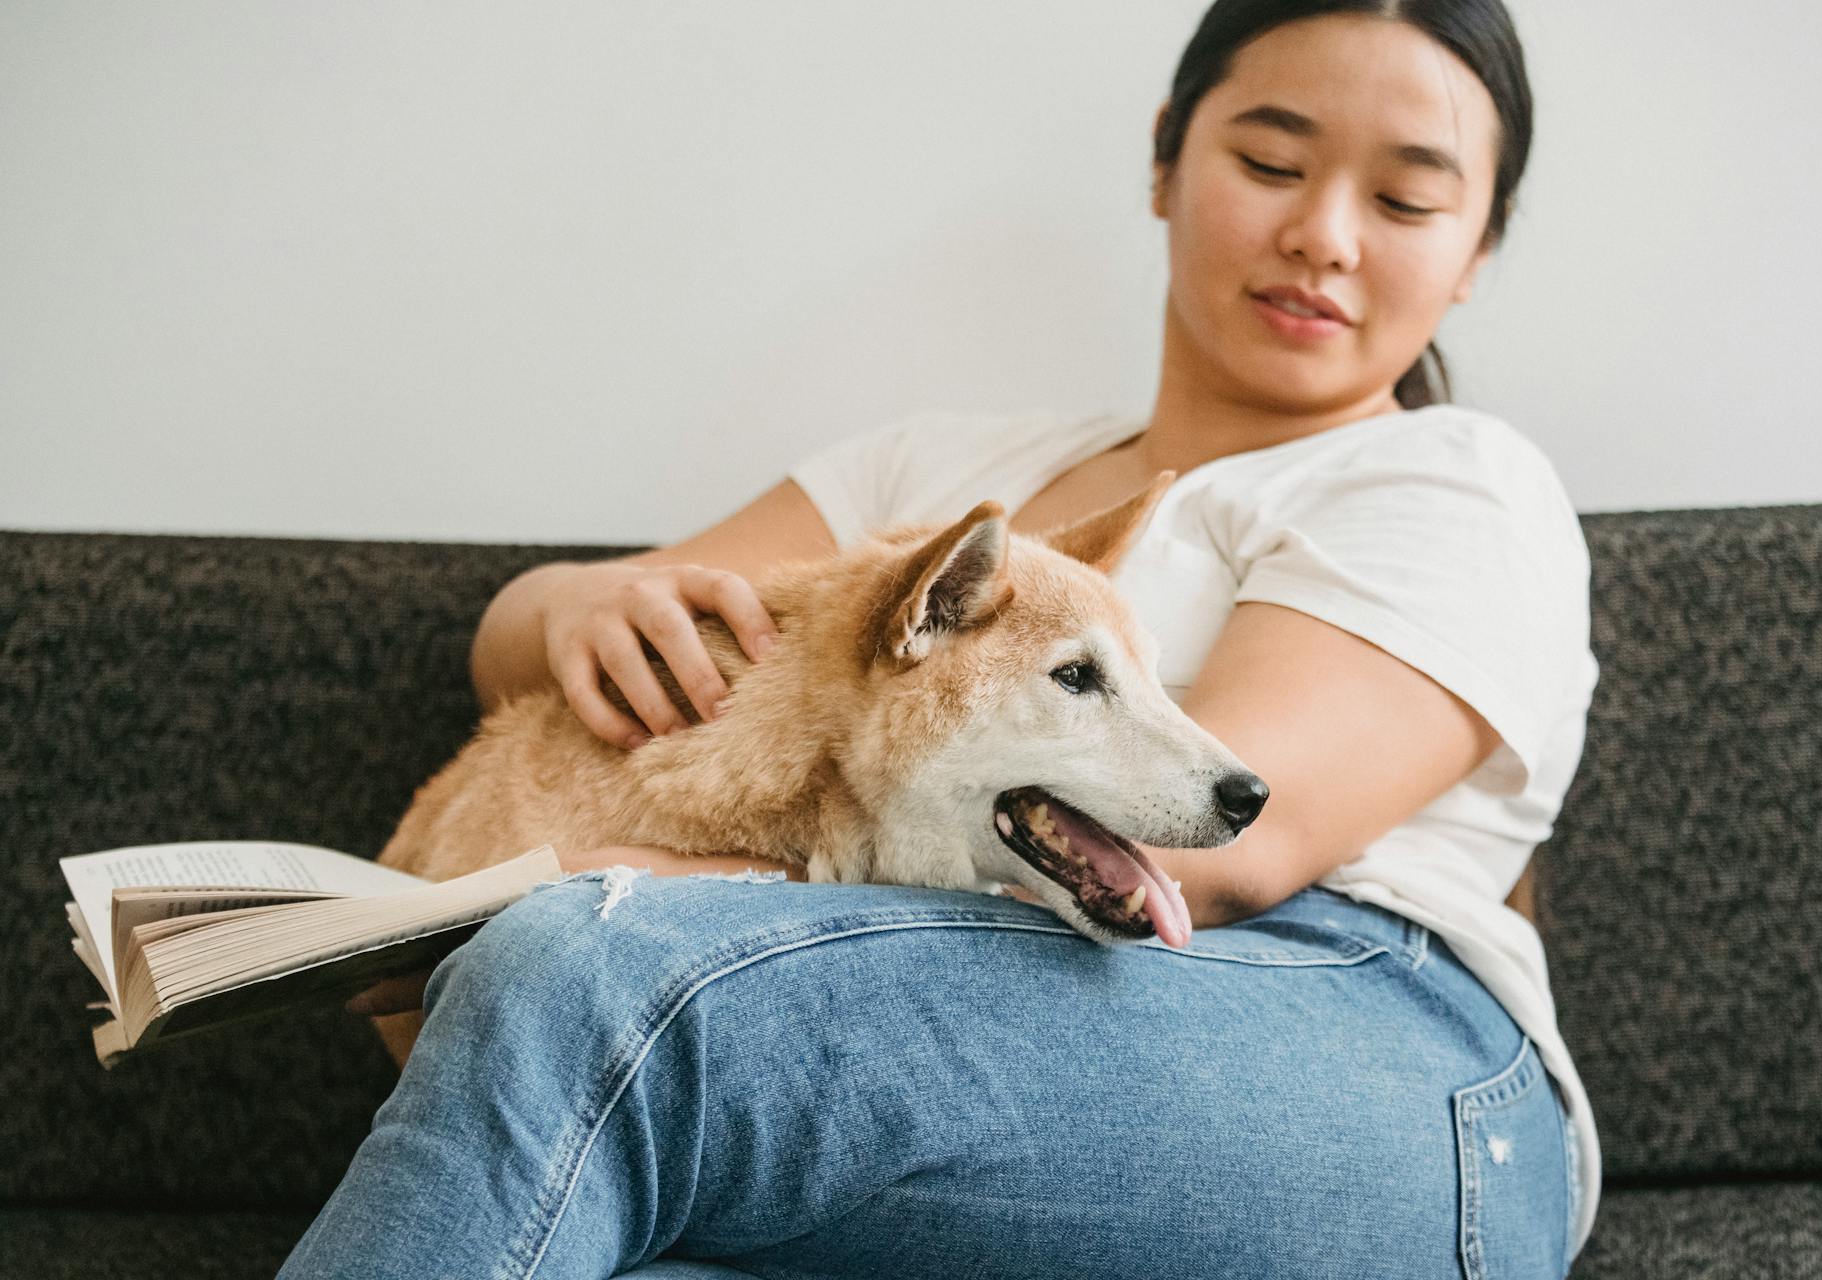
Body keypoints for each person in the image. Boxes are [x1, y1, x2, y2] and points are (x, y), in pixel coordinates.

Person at [285, 1, 1599, 1276]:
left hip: (1358, 1034)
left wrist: (659, 901)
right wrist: (573, 601)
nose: (1321, 234)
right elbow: (531, 647)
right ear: (1164, 157)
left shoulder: (1449, 480)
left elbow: (1206, 848)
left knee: (579, 975)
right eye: (1269, 161)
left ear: (1479, 247)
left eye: (1406, 200)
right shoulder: (937, 471)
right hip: (956, 1002)